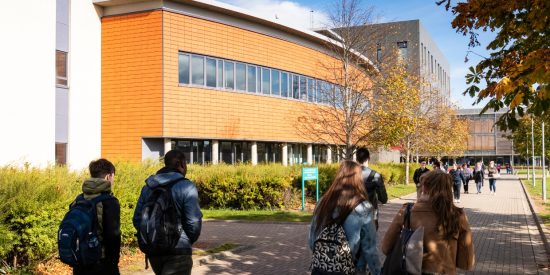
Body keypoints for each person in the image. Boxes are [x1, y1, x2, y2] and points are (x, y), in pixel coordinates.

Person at [381, 170, 475, 274]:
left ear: (424, 187)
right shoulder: (458, 215)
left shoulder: (408, 211)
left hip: (411, 271)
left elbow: (386, 247)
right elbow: (466, 262)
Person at [133, 150, 203, 275]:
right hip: (178, 250)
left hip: (154, 251)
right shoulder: (186, 186)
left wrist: (151, 238)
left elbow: (137, 219)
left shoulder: (148, 187)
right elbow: (193, 222)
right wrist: (186, 240)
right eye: (185, 163)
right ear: (180, 163)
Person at [309, 161, 381, 275]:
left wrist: (327, 257)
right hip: (352, 268)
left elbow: (312, 240)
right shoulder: (363, 207)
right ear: (358, 179)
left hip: (321, 268)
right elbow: (369, 249)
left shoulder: (322, 202)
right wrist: (377, 272)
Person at [74, 159, 121, 275]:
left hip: (80, 260)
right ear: (108, 177)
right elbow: (113, 235)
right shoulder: (110, 201)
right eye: (113, 177)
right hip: (101, 262)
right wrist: (113, 263)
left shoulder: (78, 199)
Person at [356, 147, 388, 230]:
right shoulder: (376, 175)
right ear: (368, 158)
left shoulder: (349, 174)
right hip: (370, 213)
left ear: (356, 159)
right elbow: (383, 199)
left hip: (352, 213)